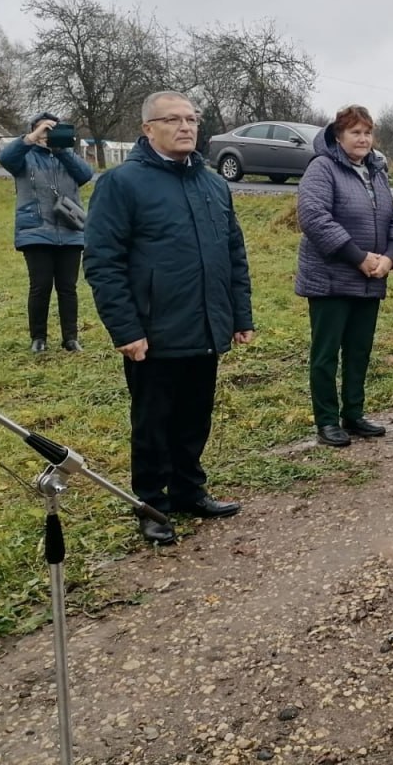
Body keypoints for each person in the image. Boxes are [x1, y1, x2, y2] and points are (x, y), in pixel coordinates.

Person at [84, 91, 254, 546]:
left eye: (192, 119)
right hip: (154, 332)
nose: (186, 127)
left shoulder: (214, 184)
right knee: (153, 421)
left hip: (206, 324)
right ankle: (151, 503)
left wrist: (240, 314)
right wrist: (126, 329)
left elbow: (233, 253)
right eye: (173, 119)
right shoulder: (122, 183)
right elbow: (103, 262)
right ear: (148, 129)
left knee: (195, 416)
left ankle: (189, 490)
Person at [295, 105, 393, 447]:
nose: (363, 139)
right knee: (327, 353)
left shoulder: (377, 171)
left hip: (371, 278)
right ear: (338, 135)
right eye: (355, 132)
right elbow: (314, 218)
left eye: (367, 132)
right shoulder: (323, 168)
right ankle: (327, 421)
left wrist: (390, 257)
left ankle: (354, 414)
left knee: (359, 350)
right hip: (331, 279)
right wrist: (358, 258)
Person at [0, 113, 95, 353]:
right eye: (44, 130)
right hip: (36, 231)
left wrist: (61, 149)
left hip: (70, 231)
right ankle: (38, 338)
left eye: (52, 130)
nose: (47, 135)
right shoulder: (24, 158)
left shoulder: (67, 156)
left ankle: (70, 338)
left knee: (68, 287)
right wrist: (30, 139)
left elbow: (85, 175)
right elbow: (5, 158)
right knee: (40, 287)